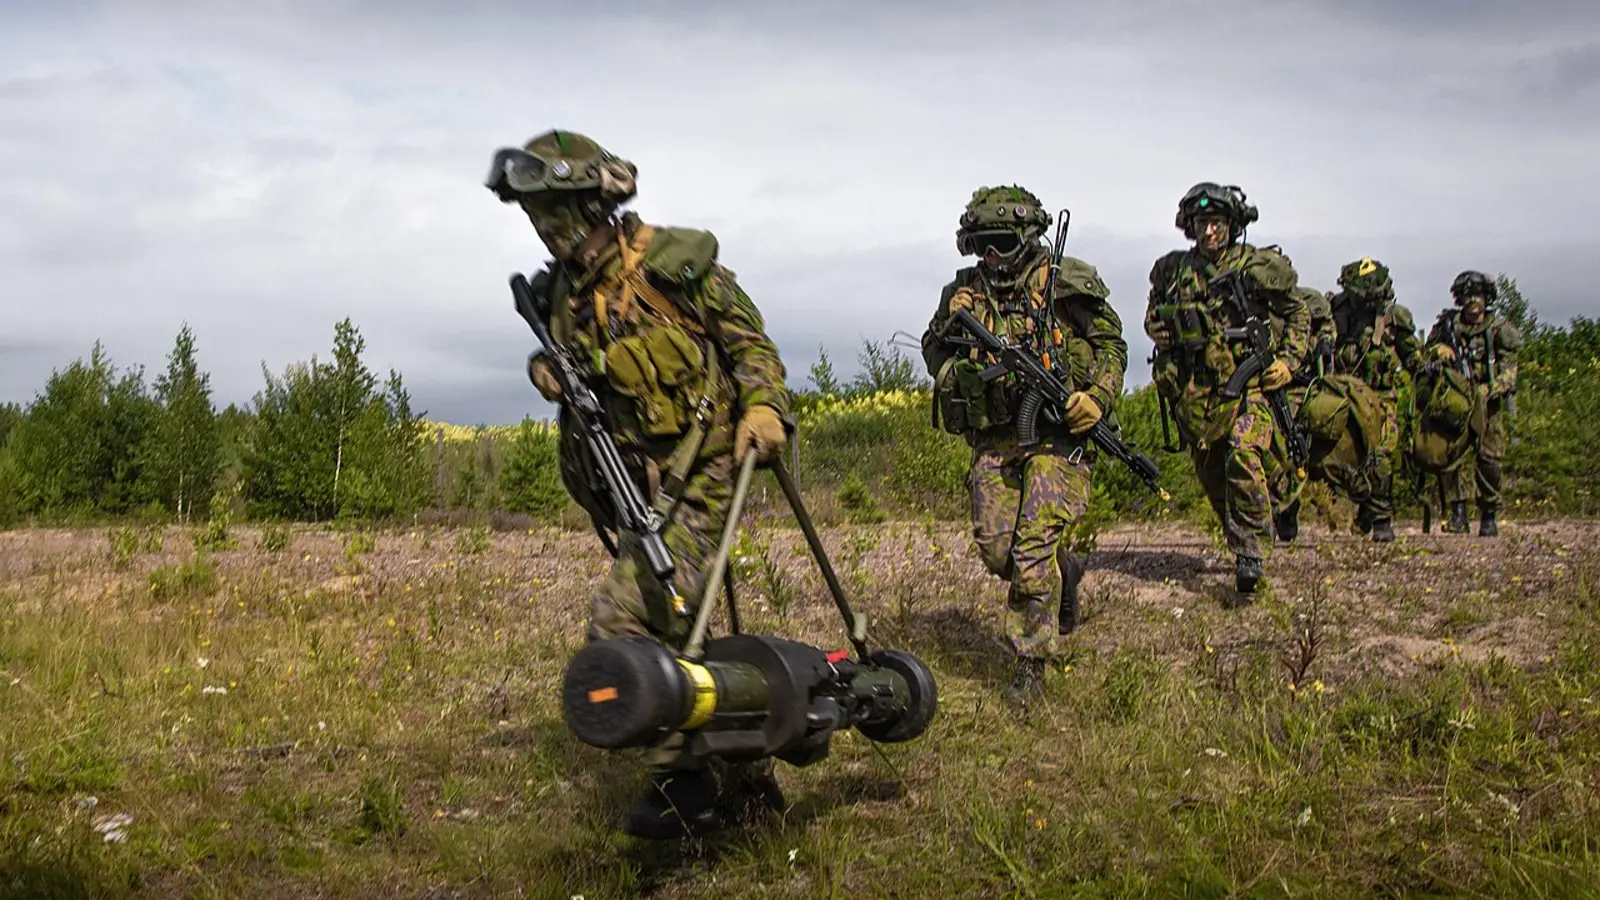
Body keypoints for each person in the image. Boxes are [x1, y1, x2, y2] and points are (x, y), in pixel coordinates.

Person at [485, 129, 793, 838]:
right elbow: (568, 360)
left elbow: (750, 342)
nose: (543, 225)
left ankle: (680, 783)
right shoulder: (562, 292)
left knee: (622, 620)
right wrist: (547, 371)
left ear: (592, 202)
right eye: (534, 212)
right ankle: (747, 781)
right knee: (681, 625)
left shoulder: (670, 261)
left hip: (709, 468)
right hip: (634, 486)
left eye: (554, 208)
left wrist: (766, 406)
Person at [920, 185, 1127, 705]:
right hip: (996, 434)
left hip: (1058, 434)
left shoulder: (1063, 280)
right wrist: (953, 334)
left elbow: (1111, 344)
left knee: (1033, 551)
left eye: (1003, 244)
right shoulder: (963, 290)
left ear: (1027, 237)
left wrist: (1097, 398)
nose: (993, 257)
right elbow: (932, 349)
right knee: (998, 551)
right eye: (982, 246)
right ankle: (1067, 572)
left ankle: (1031, 664)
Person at [1146, 183, 1309, 594]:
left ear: (1232, 225)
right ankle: (1273, 509)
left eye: (1217, 223)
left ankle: (1251, 553)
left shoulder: (1256, 266)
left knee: (1244, 448)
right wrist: (1157, 330)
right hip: (1198, 389)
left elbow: (1298, 312)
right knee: (1213, 475)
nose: (1210, 231)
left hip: (1250, 379)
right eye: (1202, 223)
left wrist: (1288, 362)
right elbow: (1153, 313)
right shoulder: (1172, 269)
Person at [1325, 257, 1421, 541]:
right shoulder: (1336, 311)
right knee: (1338, 459)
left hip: (1380, 399)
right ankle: (1362, 507)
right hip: (1344, 397)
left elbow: (1412, 358)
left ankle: (1380, 519)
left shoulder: (1394, 317)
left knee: (1381, 457)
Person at [1423, 270, 1521, 536]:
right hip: (1456, 402)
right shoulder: (1448, 326)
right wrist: (1438, 351)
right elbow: (1426, 353)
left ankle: (1488, 514)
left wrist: (1490, 389)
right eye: (1467, 296)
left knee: (1489, 460)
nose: (1472, 302)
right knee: (1449, 457)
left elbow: (1510, 373)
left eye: (1477, 296)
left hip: (1487, 403)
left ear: (1486, 298)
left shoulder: (1499, 330)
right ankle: (1458, 514)